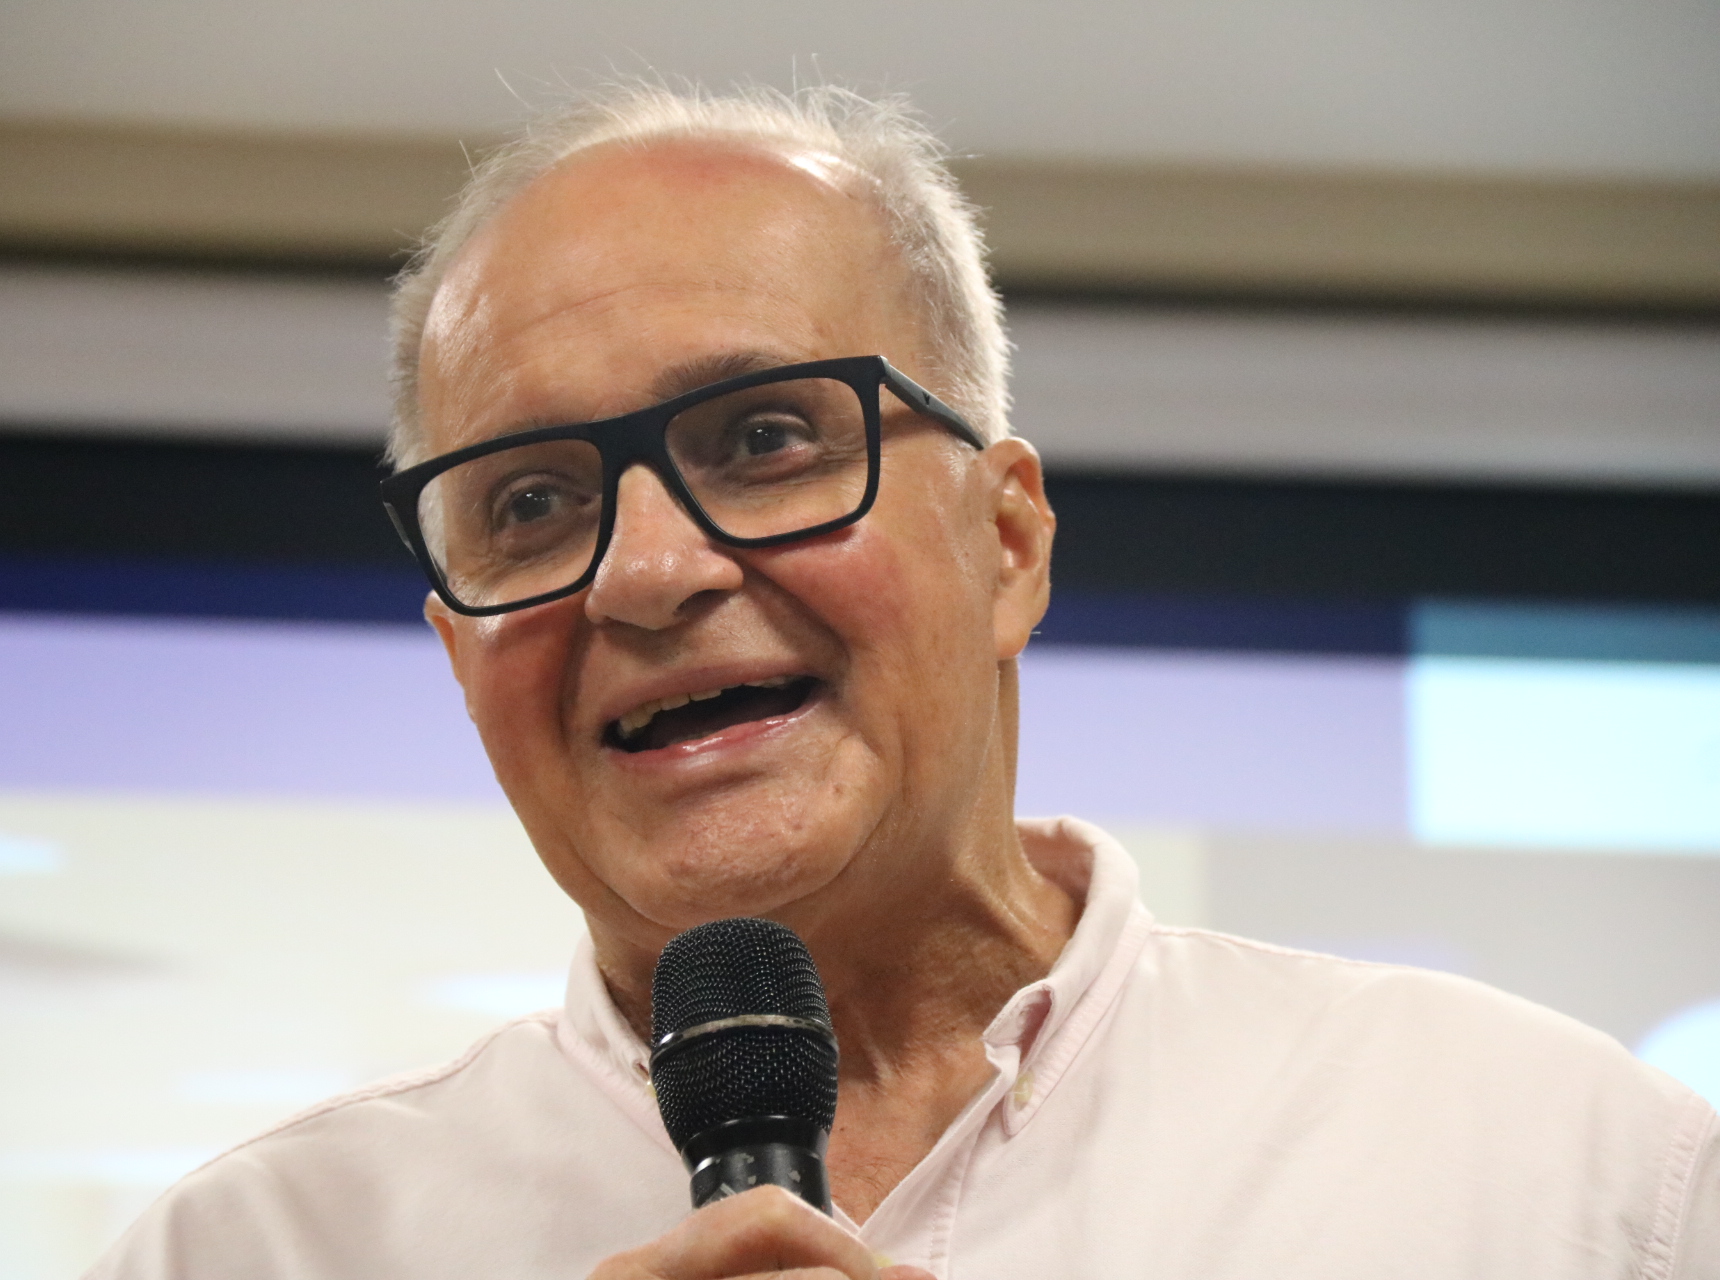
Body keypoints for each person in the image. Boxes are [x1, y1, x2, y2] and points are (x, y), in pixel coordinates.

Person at [88, 84, 1718, 1279]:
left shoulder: (1565, 1176)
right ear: (460, 659)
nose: (646, 572)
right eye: (529, 503)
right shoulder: (253, 1253)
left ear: (1007, 543)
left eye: (766, 437)